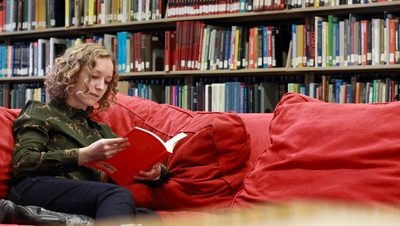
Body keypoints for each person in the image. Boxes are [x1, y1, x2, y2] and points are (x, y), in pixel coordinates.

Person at [4, 43, 169, 224]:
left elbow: (135, 162)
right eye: (94, 77)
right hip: (35, 186)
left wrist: (156, 172)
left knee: (150, 217)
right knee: (116, 195)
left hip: (81, 196)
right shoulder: (40, 111)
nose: (100, 87)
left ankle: (68, 219)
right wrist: (84, 155)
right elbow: (23, 162)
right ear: (71, 74)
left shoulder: (100, 130)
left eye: (107, 82)